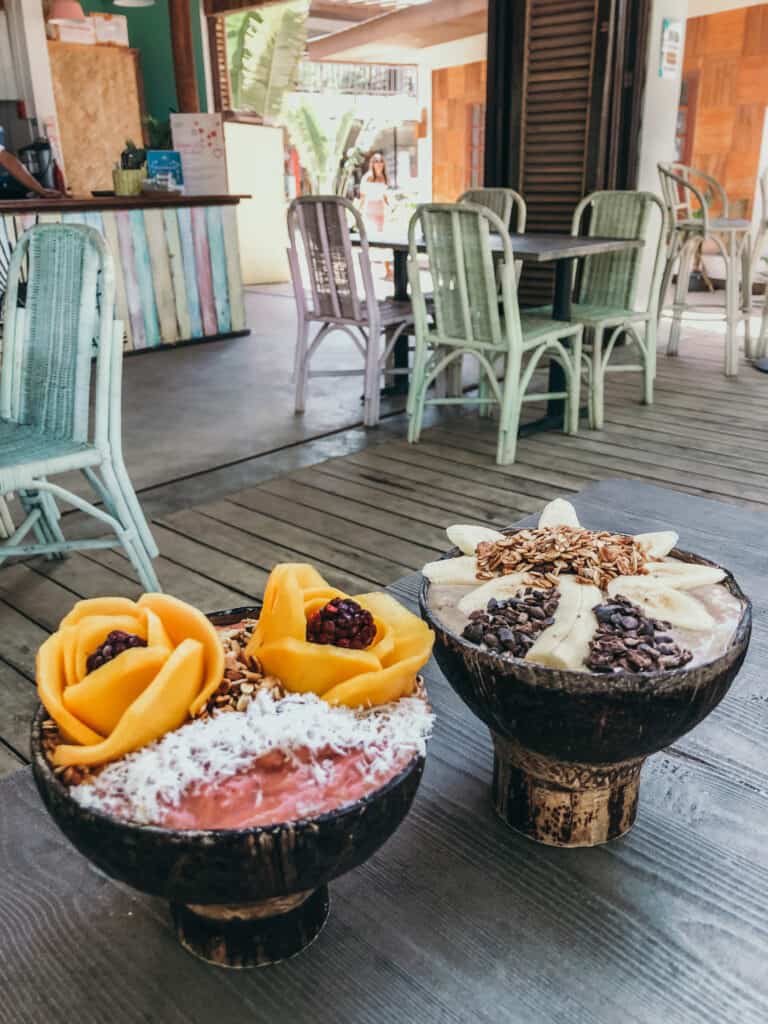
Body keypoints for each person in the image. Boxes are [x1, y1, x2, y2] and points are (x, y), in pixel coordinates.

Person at [359, 152, 390, 234]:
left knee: (380, 234)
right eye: (376, 161)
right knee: (370, 234)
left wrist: (390, 206)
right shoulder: (367, 177)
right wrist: (359, 210)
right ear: (372, 164)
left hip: (381, 210)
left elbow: (384, 195)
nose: (379, 163)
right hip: (370, 209)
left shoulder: (384, 177)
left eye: (381, 161)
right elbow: (363, 196)